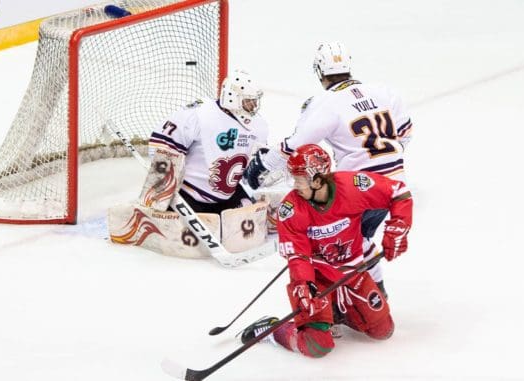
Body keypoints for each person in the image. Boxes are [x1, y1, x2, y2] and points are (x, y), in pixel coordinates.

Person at [243, 41, 413, 296]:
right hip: (394, 181)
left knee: (339, 240)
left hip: (357, 189)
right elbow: (405, 134)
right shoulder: (384, 92)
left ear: (320, 71)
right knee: (361, 237)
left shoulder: (325, 103)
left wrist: (264, 164)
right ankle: (373, 292)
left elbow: (298, 143)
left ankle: (362, 295)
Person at [239, 144, 413, 358]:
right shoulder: (291, 209)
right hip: (316, 277)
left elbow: (399, 192)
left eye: (300, 180)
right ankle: (273, 330)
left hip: (352, 270)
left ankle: (338, 313)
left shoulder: (352, 186)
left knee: (383, 330)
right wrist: (304, 284)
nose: (295, 186)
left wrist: (398, 228)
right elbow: (298, 256)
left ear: (318, 179)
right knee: (317, 346)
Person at [142, 69, 268, 214]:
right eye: (248, 101)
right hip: (188, 192)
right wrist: (162, 190)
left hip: (226, 194)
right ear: (232, 97)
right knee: (182, 231)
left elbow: (252, 169)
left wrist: (262, 171)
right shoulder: (200, 113)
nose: (253, 106)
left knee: (252, 220)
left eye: (255, 100)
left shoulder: (258, 124)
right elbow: (162, 146)